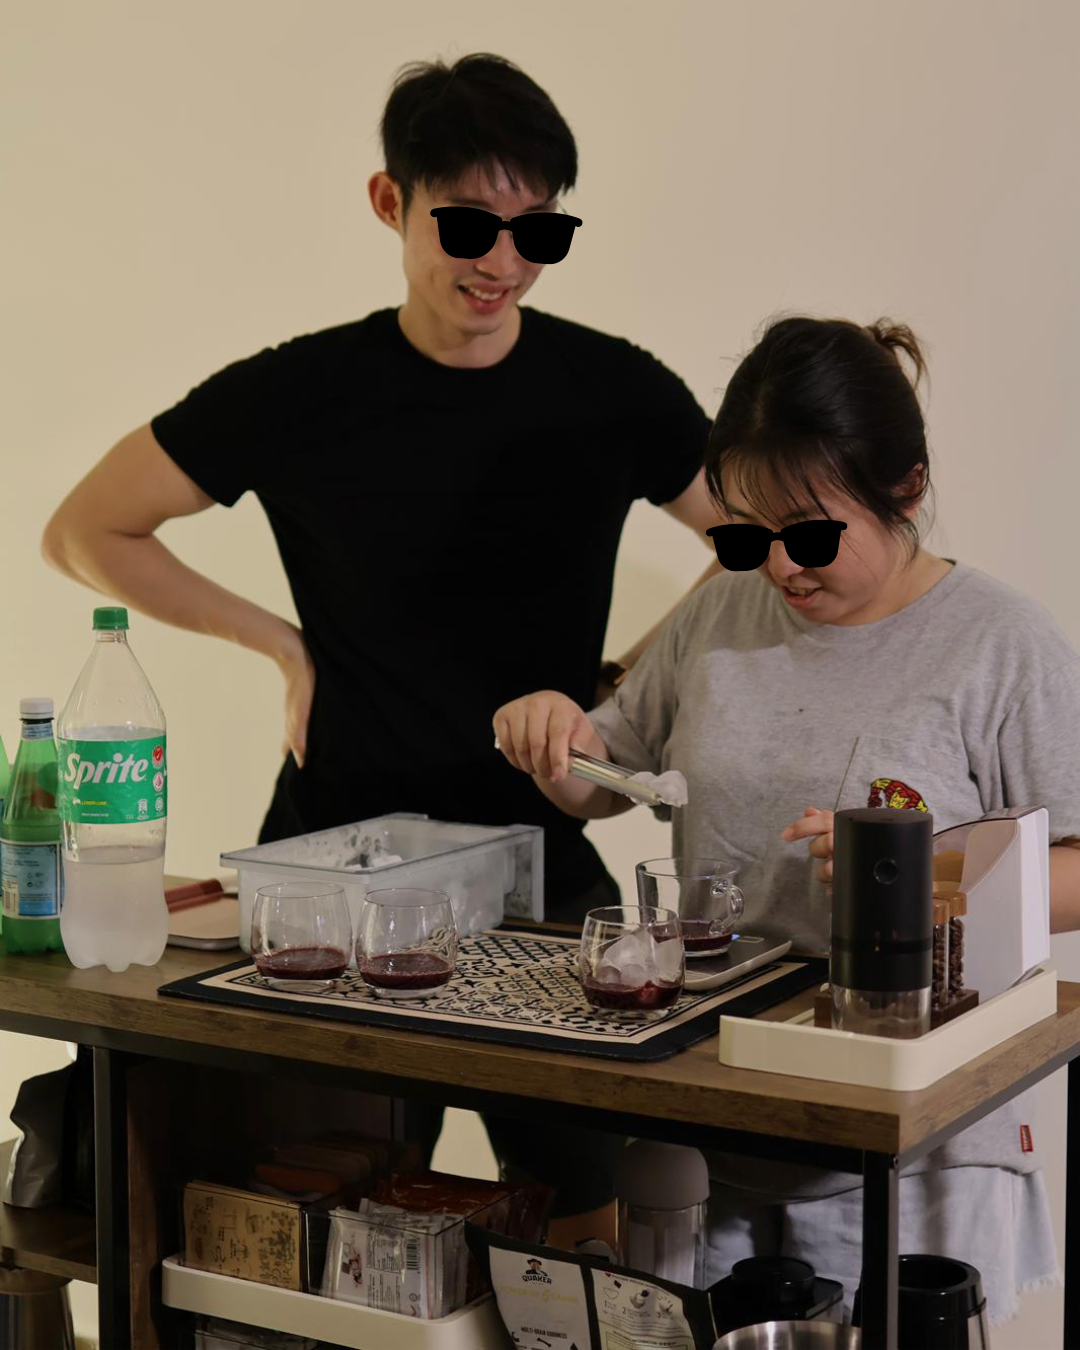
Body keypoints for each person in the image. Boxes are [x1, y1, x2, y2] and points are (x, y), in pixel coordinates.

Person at [41, 53, 722, 1243]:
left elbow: (763, 545)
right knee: (306, 1220)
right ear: (389, 202)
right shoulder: (305, 391)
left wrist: (613, 688)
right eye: (467, 224)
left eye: (536, 233)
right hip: (331, 872)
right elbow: (84, 530)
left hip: (537, 861)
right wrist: (281, 647)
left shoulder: (615, 392)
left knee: (599, 1226)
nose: (501, 262)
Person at [494, 314, 1080, 1322]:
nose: (778, 567)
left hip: (909, 1123)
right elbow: (607, 772)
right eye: (746, 534)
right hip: (721, 1103)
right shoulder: (722, 611)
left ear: (906, 486)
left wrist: (912, 875)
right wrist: (554, 733)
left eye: (810, 534)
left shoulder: (998, 644)